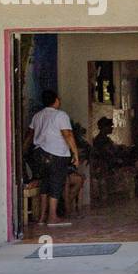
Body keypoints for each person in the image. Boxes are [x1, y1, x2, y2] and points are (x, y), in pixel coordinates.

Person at [27, 89, 79, 227]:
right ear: (56, 100)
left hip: (39, 154)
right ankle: (52, 216)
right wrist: (75, 153)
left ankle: (42, 217)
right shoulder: (60, 115)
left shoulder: (37, 116)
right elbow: (67, 134)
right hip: (55, 154)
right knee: (56, 184)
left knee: (45, 184)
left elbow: (30, 135)